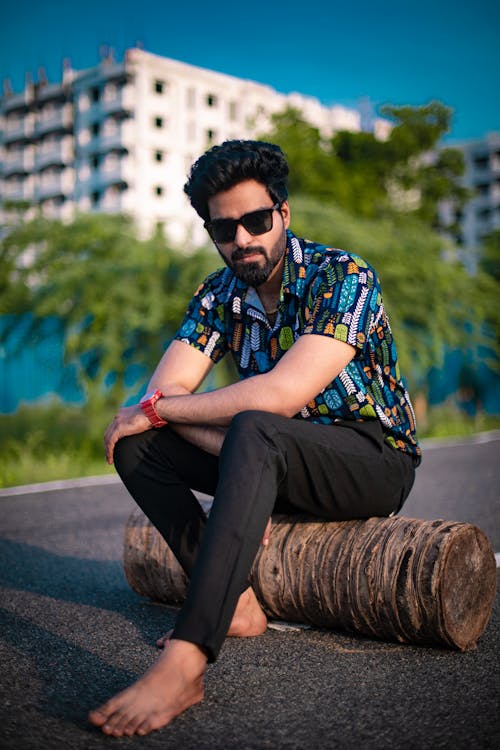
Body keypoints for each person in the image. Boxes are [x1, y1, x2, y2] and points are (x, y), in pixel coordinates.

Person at [89, 140, 421, 737]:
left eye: (256, 221)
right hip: (268, 450)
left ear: (283, 214)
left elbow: (278, 398)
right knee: (134, 439)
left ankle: (186, 659)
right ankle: (236, 602)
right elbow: (160, 399)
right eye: (225, 229)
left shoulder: (341, 276)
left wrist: (189, 418)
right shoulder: (218, 295)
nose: (242, 239)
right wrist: (178, 422)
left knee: (251, 422)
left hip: (371, 456)